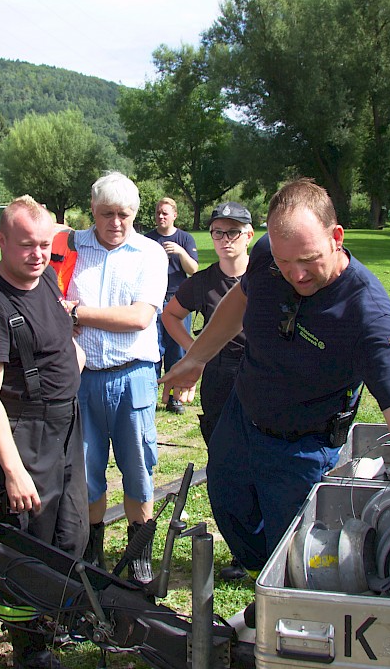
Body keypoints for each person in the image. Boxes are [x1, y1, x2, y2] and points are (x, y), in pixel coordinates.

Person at [160, 179, 390, 581]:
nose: (296, 275)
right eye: (285, 263)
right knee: (228, 505)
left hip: (301, 448)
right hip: (240, 420)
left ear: (336, 237)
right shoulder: (268, 255)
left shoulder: (367, 314)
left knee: (292, 562)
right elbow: (242, 297)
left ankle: (276, 602)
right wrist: (199, 356)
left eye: (308, 260)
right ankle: (257, 568)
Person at [0, 195, 88, 669]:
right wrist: (13, 472)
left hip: (65, 425)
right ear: (1, 241)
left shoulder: (47, 282)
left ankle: (57, 621)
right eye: (26, 245)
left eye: (44, 244)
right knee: (24, 543)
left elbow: (62, 338)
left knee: (69, 531)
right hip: (22, 434)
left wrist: (75, 363)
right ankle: (30, 648)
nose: (38, 254)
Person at [65, 171, 168, 584]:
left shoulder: (150, 253)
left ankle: (138, 553)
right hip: (84, 377)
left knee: (138, 466)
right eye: (107, 214)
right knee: (86, 469)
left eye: (124, 215)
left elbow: (139, 318)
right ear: (92, 209)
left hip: (134, 376)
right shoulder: (72, 247)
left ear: (136, 213)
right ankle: (92, 555)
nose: (115, 223)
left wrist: (77, 312)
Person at [161, 202, 253, 445]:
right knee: (221, 446)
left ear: (249, 236)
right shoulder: (202, 282)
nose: (226, 240)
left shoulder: (267, 277)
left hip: (259, 370)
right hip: (219, 372)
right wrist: (195, 351)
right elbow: (170, 315)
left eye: (233, 232)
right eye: (218, 232)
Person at [143, 197, 198, 414]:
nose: (161, 216)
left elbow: (194, 269)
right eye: (158, 212)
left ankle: (174, 398)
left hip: (178, 301)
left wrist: (180, 252)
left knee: (177, 350)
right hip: (153, 300)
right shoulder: (147, 240)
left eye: (165, 213)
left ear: (174, 215)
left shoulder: (184, 238)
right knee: (153, 349)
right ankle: (149, 397)